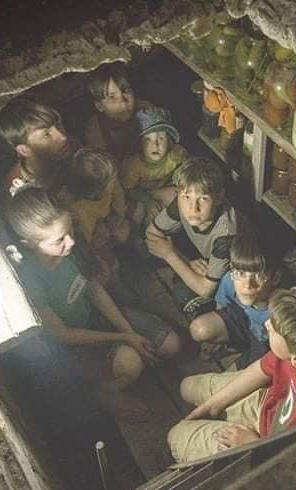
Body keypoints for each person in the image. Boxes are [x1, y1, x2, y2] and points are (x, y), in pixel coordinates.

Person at [4, 186, 184, 419]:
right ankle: (103, 393)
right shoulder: (30, 280)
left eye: (69, 230)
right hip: (75, 347)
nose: (70, 241)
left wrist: (130, 333)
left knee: (171, 345)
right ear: (29, 243)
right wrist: (123, 337)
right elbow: (64, 335)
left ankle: (122, 363)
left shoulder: (70, 250)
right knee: (131, 362)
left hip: (94, 318)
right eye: (59, 240)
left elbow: (94, 290)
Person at [167, 286, 296, 463]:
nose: (267, 324)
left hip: (266, 445)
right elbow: (263, 368)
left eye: (274, 329)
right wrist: (212, 406)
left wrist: (253, 444)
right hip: (268, 404)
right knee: (187, 387)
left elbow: (294, 465)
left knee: (175, 436)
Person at [145, 156, 244, 320]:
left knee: (182, 295)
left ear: (219, 197)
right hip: (204, 258)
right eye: (186, 196)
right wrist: (186, 261)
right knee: (146, 250)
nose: (193, 208)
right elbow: (151, 234)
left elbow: (206, 290)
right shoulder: (181, 203)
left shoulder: (226, 235)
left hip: (231, 277)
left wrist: (170, 255)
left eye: (203, 198)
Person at [189, 232, 282, 368]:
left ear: (276, 277)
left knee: (240, 371)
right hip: (240, 320)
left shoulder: (280, 311)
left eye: (258, 276)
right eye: (241, 273)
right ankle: (233, 346)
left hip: (264, 343)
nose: (247, 284)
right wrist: (220, 334)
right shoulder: (230, 280)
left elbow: (270, 350)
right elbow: (222, 307)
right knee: (199, 329)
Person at [0, 96, 78, 199]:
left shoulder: (72, 146)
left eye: (58, 125)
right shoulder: (16, 189)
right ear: (24, 150)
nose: (63, 137)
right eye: (47, 134)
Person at [121, 106, 187, 227]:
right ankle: (145, 231)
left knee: (178, 197)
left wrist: (178, 179)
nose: (155, 144)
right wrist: (148, 201)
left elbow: (183, 168)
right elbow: (129, 189)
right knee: (138, 212)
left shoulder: (174, 156)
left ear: (169, 141)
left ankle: (164, 226)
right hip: (140, 195)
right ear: (140, 143)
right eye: (148, 139)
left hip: (161, 189)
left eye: (161, 138)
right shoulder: (133, 165)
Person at [84, 63, 150, 161]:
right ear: (99, 106)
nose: (123, 102)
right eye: (112, 97)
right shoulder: (95, 132)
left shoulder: (145, 109)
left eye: (125, 91)